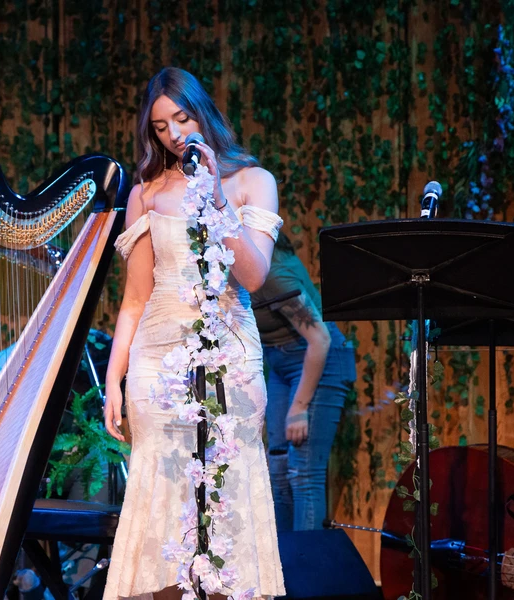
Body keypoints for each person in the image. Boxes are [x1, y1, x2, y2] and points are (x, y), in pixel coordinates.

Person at [103, 67, 286, 600]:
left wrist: (216, 198)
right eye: (160, 127)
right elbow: (134, 299)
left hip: (231, 357)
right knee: (163, 507)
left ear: (203, 113)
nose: (174, 134)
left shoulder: (253, 181)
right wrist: (114, 379)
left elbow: (253, 276)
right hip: (156, 363)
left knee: (228, 498)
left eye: (182, 119)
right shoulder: (146, 194)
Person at [250, 233, 356, 531]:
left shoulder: (271, 273)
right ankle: (284, 558)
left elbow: (319, 339)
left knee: (304, 473)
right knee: (278, 467)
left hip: (319, 358)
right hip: (280, 363)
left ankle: (307, 558)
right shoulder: (247, 269)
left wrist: (299, 407)